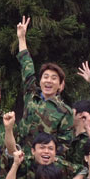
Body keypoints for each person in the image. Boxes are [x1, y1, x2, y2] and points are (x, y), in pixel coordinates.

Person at [15, 15, 73, 154]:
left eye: (54, 78)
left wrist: (48, 156)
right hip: (22, 157)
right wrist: (21, 38)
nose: (48, 81)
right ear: (40, 81)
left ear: (60, 85)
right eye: (45, 77)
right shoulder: (31, 95)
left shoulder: (65, 111)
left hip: (45, 162)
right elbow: (27, 66)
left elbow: (65, 144)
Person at [66, 99, 90, 168]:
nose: (68, 117)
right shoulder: (67, 135)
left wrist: (87, 128)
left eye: (71, 113)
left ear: (81, 115)